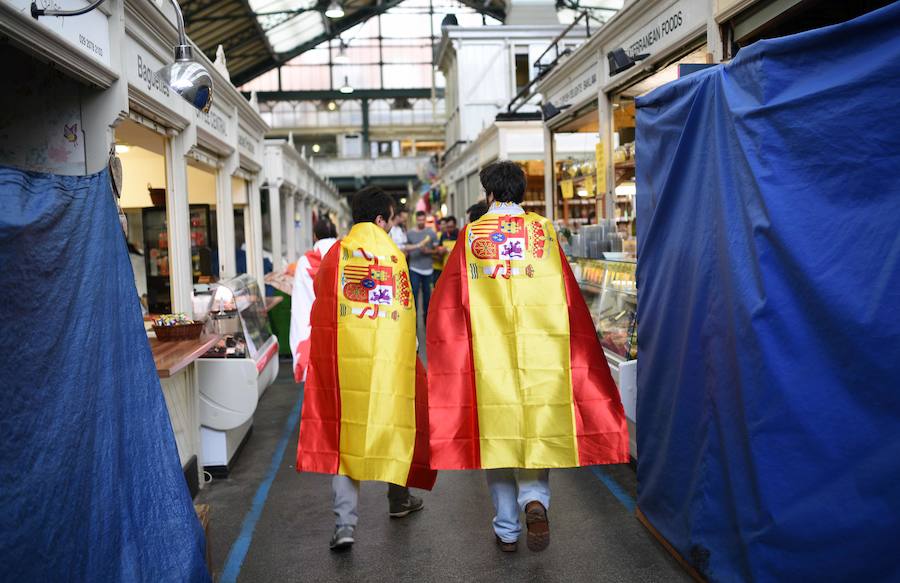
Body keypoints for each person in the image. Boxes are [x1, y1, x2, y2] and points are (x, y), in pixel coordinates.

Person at [426, 161, 629, 553]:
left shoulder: (471, 235)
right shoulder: (543, 231)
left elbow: (449, 303)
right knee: (537, 429)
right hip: (541, 351)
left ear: (488, 194)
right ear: (521, 193)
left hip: (490, 357)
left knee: (497, 437)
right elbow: (567, 294)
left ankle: (506, 528)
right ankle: (535, 500)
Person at [295, 186, 436, 551]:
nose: (389, 228)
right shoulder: (393, 256)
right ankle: (398, 500)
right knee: (396, 426)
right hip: (389, 362)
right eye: (389, 220)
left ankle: (345, 525)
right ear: (379, 219)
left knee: (347, 437)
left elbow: (322, 308)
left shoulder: (335, 255)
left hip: (346, 366)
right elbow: (406, 314)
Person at [289, 218, 338, 383]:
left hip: (314, 327)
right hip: (341, 327)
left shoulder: (304, 263)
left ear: (315, 236)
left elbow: (300, 302)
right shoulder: (345, 257)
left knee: (316, 383)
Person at [405, 210, 437, 320]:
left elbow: (437, 249)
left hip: (428, 269)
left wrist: (428, 251)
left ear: (425, 219)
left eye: (423, 220)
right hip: (414, 268)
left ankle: (426, 319)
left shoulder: (431, 233)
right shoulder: (409, 233)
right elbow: (405, 249)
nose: (421, 222)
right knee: (413, 295)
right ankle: (413, 319)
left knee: (427, 297)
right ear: (416, 220)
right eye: (419, 220)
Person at [431, 216, 458, 285]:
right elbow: (439, 249)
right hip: (445, 268)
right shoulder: (444, 235)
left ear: (455, 225)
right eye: (448, 227)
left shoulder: (460, 234)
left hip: (457, 269)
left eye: (451, 227)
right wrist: (441, 250)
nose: (449, 229)